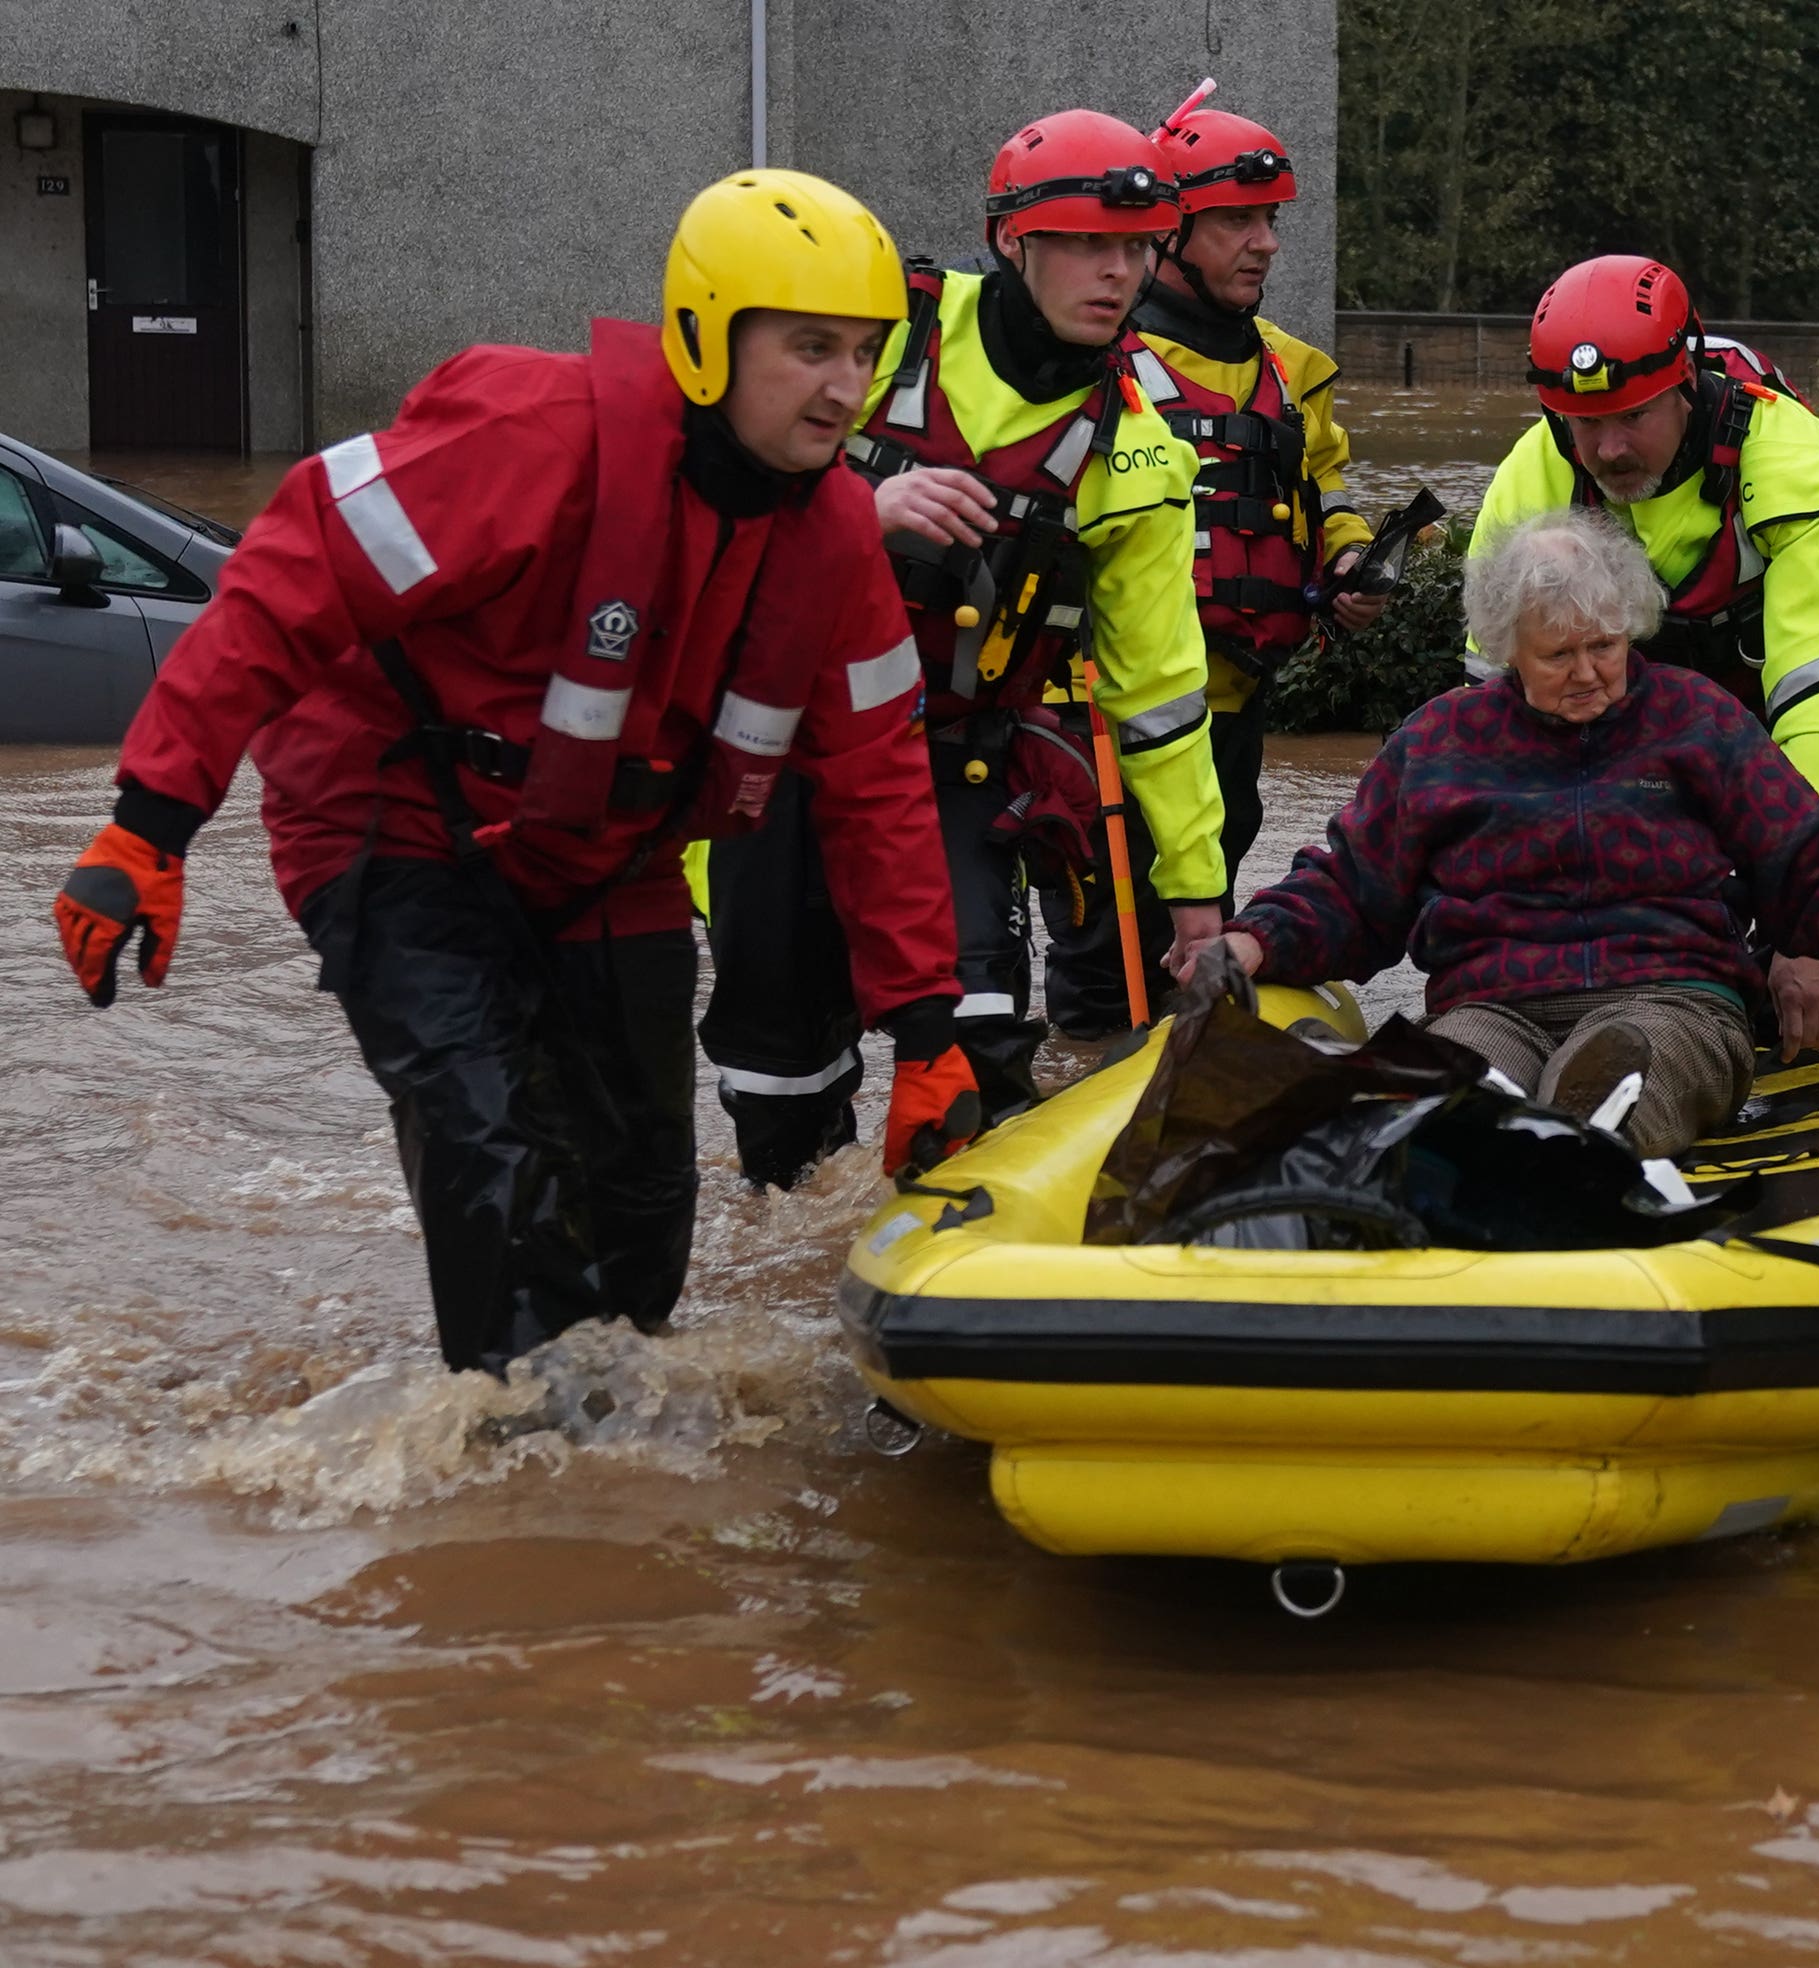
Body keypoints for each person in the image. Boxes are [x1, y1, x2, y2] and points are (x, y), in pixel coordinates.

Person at [51, 170, 971, 1374]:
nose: (846, 387)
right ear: (704, 338)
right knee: (495, 1150)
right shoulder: (534, 440)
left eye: (865, 352)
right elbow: (288, 578)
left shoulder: (837, 540)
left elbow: (877, 785)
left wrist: (925, 1031)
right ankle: (514, 1455)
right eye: (809, 349)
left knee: (646, 1208)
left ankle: (609, 1467)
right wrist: (148, 825)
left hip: (608, 862)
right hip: (393, 823)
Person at [696, 109, 1227, 1188]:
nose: (1116, 271)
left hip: (960, 761)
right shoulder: (882, 332)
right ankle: (795, 1267)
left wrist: (1199, 896)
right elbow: (717, 491)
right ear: (1011, 241)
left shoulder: (1139, 447)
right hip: (783, 754)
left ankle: (951, 1241)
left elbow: (1159, 692)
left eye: (1134, 247)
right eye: (1086, 242)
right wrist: (863, 503)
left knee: (977, 1039)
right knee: (780, 1085)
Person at [1170, 512, 1819, 1160]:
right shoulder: (1438, 741)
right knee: (1455, 1089)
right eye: (1558, 655)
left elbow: (1814, 866)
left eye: (1603, 647)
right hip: (1494, 1002)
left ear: (1630, 627)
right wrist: (1253, 943)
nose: (1588, 673)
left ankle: (1576, 1148)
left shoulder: (1696, 718)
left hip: (1673, 998)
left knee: (1610, 1076)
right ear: (1506, 652)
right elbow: (1352, 889)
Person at [1470, 254, 1819, 1060]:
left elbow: (1818, 712)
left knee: (1813, 973)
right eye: (1587, 424)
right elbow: (1492, 708)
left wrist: (1809, 928)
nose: (1609, 448)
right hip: (1628, 717)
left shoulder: (1791, 461)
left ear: (1686, 383)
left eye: (1633, 417)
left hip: (1773, 713)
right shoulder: (1536, 470)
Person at [1038, 83, 1379, 1030]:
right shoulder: (1093, 358)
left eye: (1268, 220)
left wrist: (1347, 562)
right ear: (1171, 231)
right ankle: (1085, 1097)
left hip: (1231, 703)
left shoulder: (1287, 368)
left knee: (1203, 929)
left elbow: (1327, 488)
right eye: (1236, 222)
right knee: (1107, 962)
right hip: (1101, 721)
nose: (1265, 242)